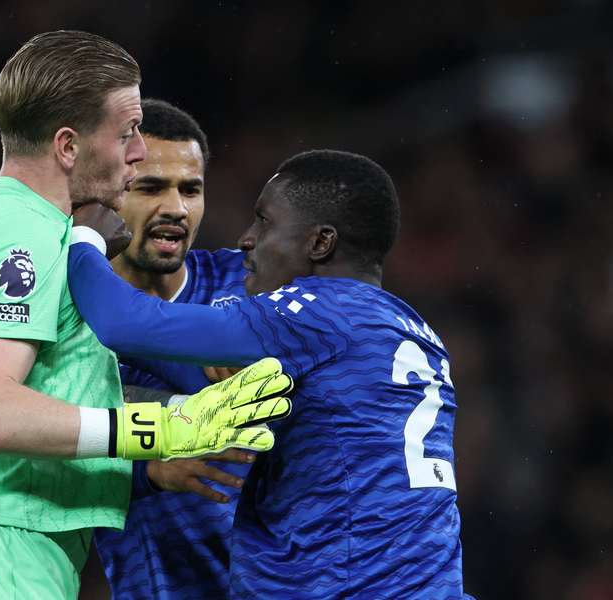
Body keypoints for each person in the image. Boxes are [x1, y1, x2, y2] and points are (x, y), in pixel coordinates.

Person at [0, 30, 291, 600]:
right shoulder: (18, 233)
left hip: (4, 558)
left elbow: (53, 391)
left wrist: (178, 412)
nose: (139, 149)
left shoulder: (36, 231)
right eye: (127, 133)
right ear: (68, 147)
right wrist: (157, 430)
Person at [69, 149, 469, 598]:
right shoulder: (408, 327)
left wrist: (83, 237)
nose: (246, 238)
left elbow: (125, 323)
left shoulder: (313, 313)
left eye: (265, 222)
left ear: (320, 243)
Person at [93, 99, 251, 599]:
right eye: (151, 187)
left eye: (191, 189)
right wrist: (148, 470)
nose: (176, 208)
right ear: (110, 192)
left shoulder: (249, 286)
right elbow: (29, 441)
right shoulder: (70, 315)